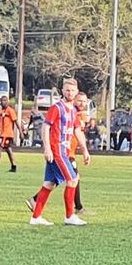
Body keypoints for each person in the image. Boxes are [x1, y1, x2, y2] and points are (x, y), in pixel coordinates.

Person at [25, 78, 87, 227]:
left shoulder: (73, 111)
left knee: (49, 184)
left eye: (72, 90)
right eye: (67, 90)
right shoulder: (57, 108)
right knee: (72, 180)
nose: (69, 93)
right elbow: (46, 127)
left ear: (76, 92)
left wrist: (85, 150)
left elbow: (77, 131)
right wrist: (47, 148)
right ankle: (69, 216)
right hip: (58, 151)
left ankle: (36, 217)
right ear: (62, 91)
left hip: (65, 151)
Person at [0, 98, 20, 172]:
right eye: (2, 101)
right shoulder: (2, 111)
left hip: (7, 134)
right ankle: (14, 167)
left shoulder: (10, 110)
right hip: (3, 134)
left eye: (5, 100)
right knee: (9, 150)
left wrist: (20, 132)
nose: (3, 102)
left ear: (8, 102)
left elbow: (16, 122)